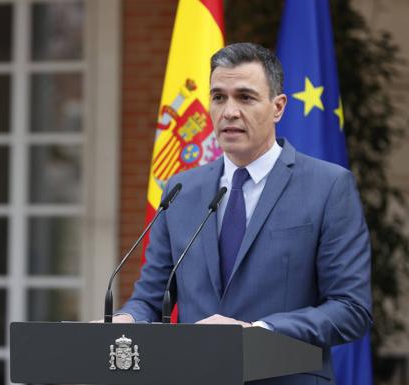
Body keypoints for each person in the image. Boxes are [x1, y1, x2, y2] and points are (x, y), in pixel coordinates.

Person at [114, 43, 372, 384]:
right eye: (218, 97)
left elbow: (351, 309)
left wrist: (257, 331)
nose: (229, 111)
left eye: (245, 98)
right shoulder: (180, 190)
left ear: (278, 107)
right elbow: (149, 297)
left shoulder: (328, 186)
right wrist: (124, 322)